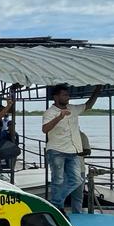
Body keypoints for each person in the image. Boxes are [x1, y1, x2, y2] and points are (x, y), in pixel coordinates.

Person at [42, 84, 102, 215]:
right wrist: (59, 117)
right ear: (56, 97)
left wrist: (97, 90)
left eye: (67, 95)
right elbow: (45, 129)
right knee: (58, 180)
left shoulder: (73, 109)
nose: (67, 97)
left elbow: (89, 105)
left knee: (77, 180)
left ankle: (55, 205)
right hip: (56, 150)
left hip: (72, 151)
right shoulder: (50, 112)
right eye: (64, 95)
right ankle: (58, 208)